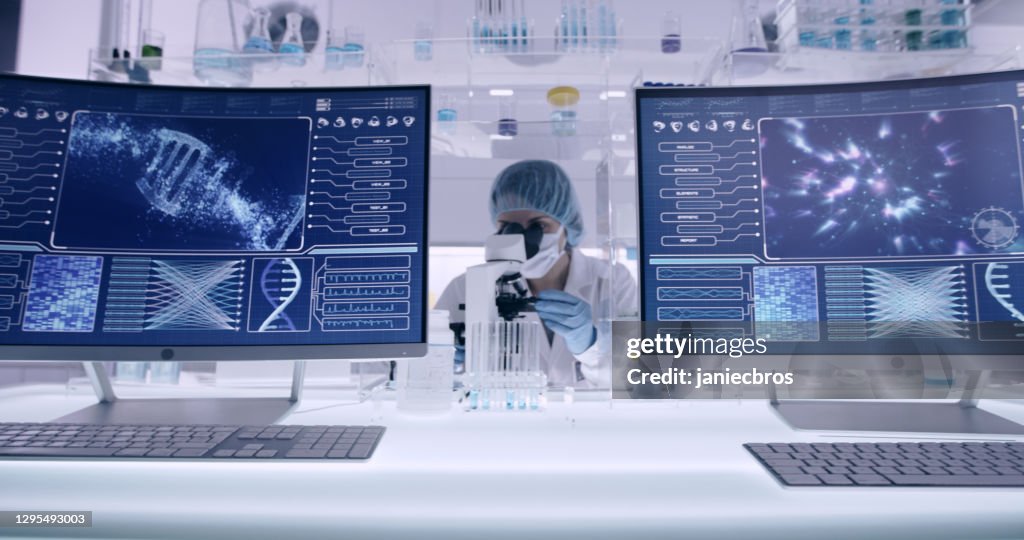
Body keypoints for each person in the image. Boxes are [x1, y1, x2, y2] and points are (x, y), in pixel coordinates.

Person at [435, 160, 637, 388]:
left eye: (538, 227)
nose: (521, 239)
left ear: (566, 227)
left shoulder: (612, 281)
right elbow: (421, 375)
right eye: (507, 226)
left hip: (587, 420)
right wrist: (444, 360)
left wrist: (591, 345)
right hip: (505, 419)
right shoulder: (466, 288)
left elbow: (646, 376)